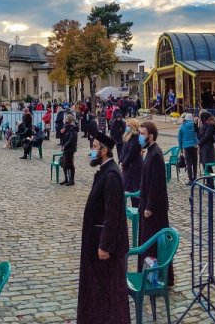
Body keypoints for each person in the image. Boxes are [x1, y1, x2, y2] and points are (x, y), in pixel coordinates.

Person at [76, 127, 130, 324]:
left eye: (94, 147)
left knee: (107, 292)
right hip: (95, 241)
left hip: (104, 246)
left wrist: (104, 246)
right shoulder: (104, 172)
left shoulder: (112, 175)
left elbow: (113, 215)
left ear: (104, 151)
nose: (91, 150)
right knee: (96, 290)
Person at [137, 121, 171, 283]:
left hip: (154, 209)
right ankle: (147, 275)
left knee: (153, 244)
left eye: (142, 134)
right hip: (146, 203)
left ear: (151, 136)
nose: (140, 137)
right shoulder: (148, 152)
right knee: (146, 241)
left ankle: (157, 277)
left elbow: (156, 184)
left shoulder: (156, 154)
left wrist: (149, 206)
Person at [196, 110, 215, 177]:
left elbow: (207, 136)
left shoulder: (210, 125)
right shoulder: (203, 125)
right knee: (204, 165)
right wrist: (196, 124)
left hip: (207, 149)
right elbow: (198, 134)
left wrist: (199, 143)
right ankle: (208, 181)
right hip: (203, 148)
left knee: (208, 166)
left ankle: (210, 183)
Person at [178, 114, 199, 185]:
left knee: (189, 164)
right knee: (195, 163)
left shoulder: (182, 126)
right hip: (194, 146)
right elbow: (197, 135)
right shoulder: (194, 125)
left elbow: (180, 139)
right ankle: (195, 178)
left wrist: (181, 149)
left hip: (186, 147)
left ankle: (190, 179)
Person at [60, 114, 79, 186]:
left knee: (70, 164)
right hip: (65, 148)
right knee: (64, 164)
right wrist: (61, 133)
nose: (65, 120)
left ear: (70, 120)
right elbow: (63, 137)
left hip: (70, 149)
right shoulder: (66, 127)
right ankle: (66, 179)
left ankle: (72, 180)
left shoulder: (73, 128)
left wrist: (65, 146)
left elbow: (71, 139)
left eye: (67, 119)